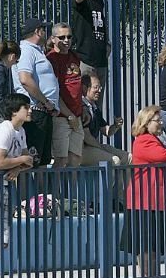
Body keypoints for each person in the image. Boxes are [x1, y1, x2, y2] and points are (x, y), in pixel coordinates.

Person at [120, 106, 166, 278]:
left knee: (154, 241)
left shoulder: (155, 140)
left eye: (160, 120)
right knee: (145, 241)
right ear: (146, 123)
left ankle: (154, 275)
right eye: (157, 121)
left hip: (155, 199)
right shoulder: (143, 141)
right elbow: (162, 156)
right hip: (143, 200)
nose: (161, 123)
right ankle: (145, 277)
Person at [11, 18, 58, 167]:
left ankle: (40, 191)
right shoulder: (26, 50)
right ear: (38, 32)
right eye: (44, 30)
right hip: (35, 112)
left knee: (42, 161)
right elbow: (25, 79)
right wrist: (46, 102)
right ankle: (29, 191)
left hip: (43, 112)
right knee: (30, 163)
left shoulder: (36, 51)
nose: (47, 33)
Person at [0, 94, 34, 259]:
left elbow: (30, 161)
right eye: (26, 107)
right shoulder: (5, 129)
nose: (30, 110)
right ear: (14, 111)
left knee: (1, 238)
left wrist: (18, 168)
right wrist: (21, 160)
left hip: (5, 187)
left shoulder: (21, 131)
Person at [47, 23, 84, 168]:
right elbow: (54, 94)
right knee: (61, 160)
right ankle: (56, 191)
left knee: (75, 160)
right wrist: (70, 115)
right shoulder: (50, 60)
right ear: (53, 39)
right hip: (61, 117)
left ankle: (72, 192)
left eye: (69, 36)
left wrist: (82, 110)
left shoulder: (74, 56)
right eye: (62, 37)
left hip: (77, 116)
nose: (66, 40)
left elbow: (77, 87)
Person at [73, 0, 109, 109]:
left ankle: (97, 130)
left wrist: (107, 45)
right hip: (85, 59)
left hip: (100, 60)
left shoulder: (99, 1)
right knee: (83, 103)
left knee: (96, 105)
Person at [81, 73, 129, 166]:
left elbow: (107, 132)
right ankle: (111, 181)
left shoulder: (94, 108)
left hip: (94, 146)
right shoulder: (81, 107)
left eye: (100, 88)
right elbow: (86, 137)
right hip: (83, 149)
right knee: (114, 160)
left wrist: (115, 126)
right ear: (85, 88)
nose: (99, 91)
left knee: (127, 157)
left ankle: (126, 181)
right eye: (96, 87)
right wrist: (101, 148)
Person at [0, 41, 21, 125]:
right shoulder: (0, 70)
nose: (14, 64)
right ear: (12, 56)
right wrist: (8, 116)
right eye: (16, 61)